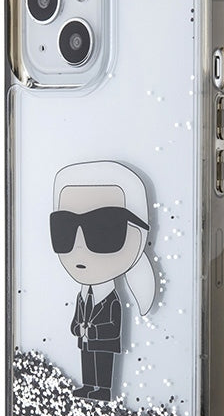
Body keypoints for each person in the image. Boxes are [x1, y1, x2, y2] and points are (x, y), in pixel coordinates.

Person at [50, 161, 156, 401]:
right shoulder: (82, 296)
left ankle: (104, 390)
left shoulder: (111, 300)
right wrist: (78, 328)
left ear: (139, 235)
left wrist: (92, 330)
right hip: (86, 341)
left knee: (103, 365)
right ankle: (89, 386)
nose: (79, 245)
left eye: (104, 229)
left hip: (102, 343)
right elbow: (76, 319)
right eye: (63, 229)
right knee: (87, 362)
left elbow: (112, 325)